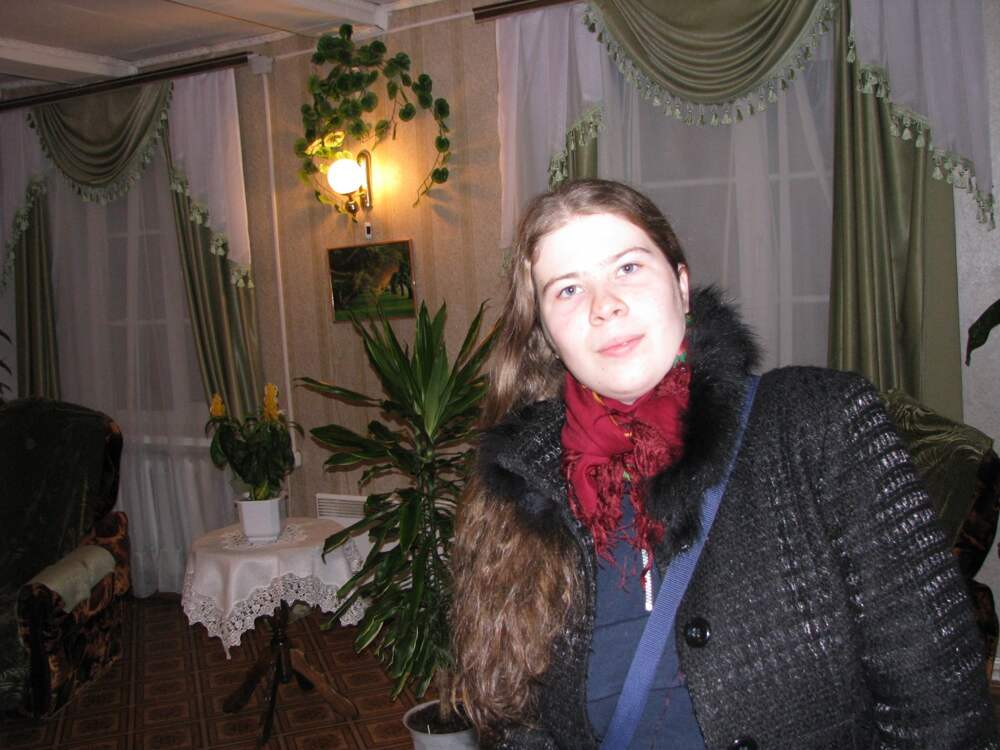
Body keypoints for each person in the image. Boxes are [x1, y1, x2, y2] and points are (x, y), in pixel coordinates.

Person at [447, 179, 999, 749]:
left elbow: (941, 709)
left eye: (628, 268)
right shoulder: (524, 487)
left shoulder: (818, 423)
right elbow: (521, 726)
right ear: (544, 331)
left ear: (682, 286)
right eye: (567, 289)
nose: (603, 305)